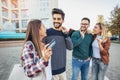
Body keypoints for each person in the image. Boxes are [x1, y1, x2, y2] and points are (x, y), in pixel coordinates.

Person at [45, 8, 73, 80]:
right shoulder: (47, 32)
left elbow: (70, 47)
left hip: (62, 70)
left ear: (62, 20)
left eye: (58, 19)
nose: (56, 21)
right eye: (54, 18)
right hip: (51, 71)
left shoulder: (64, 33)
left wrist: (66, 35)